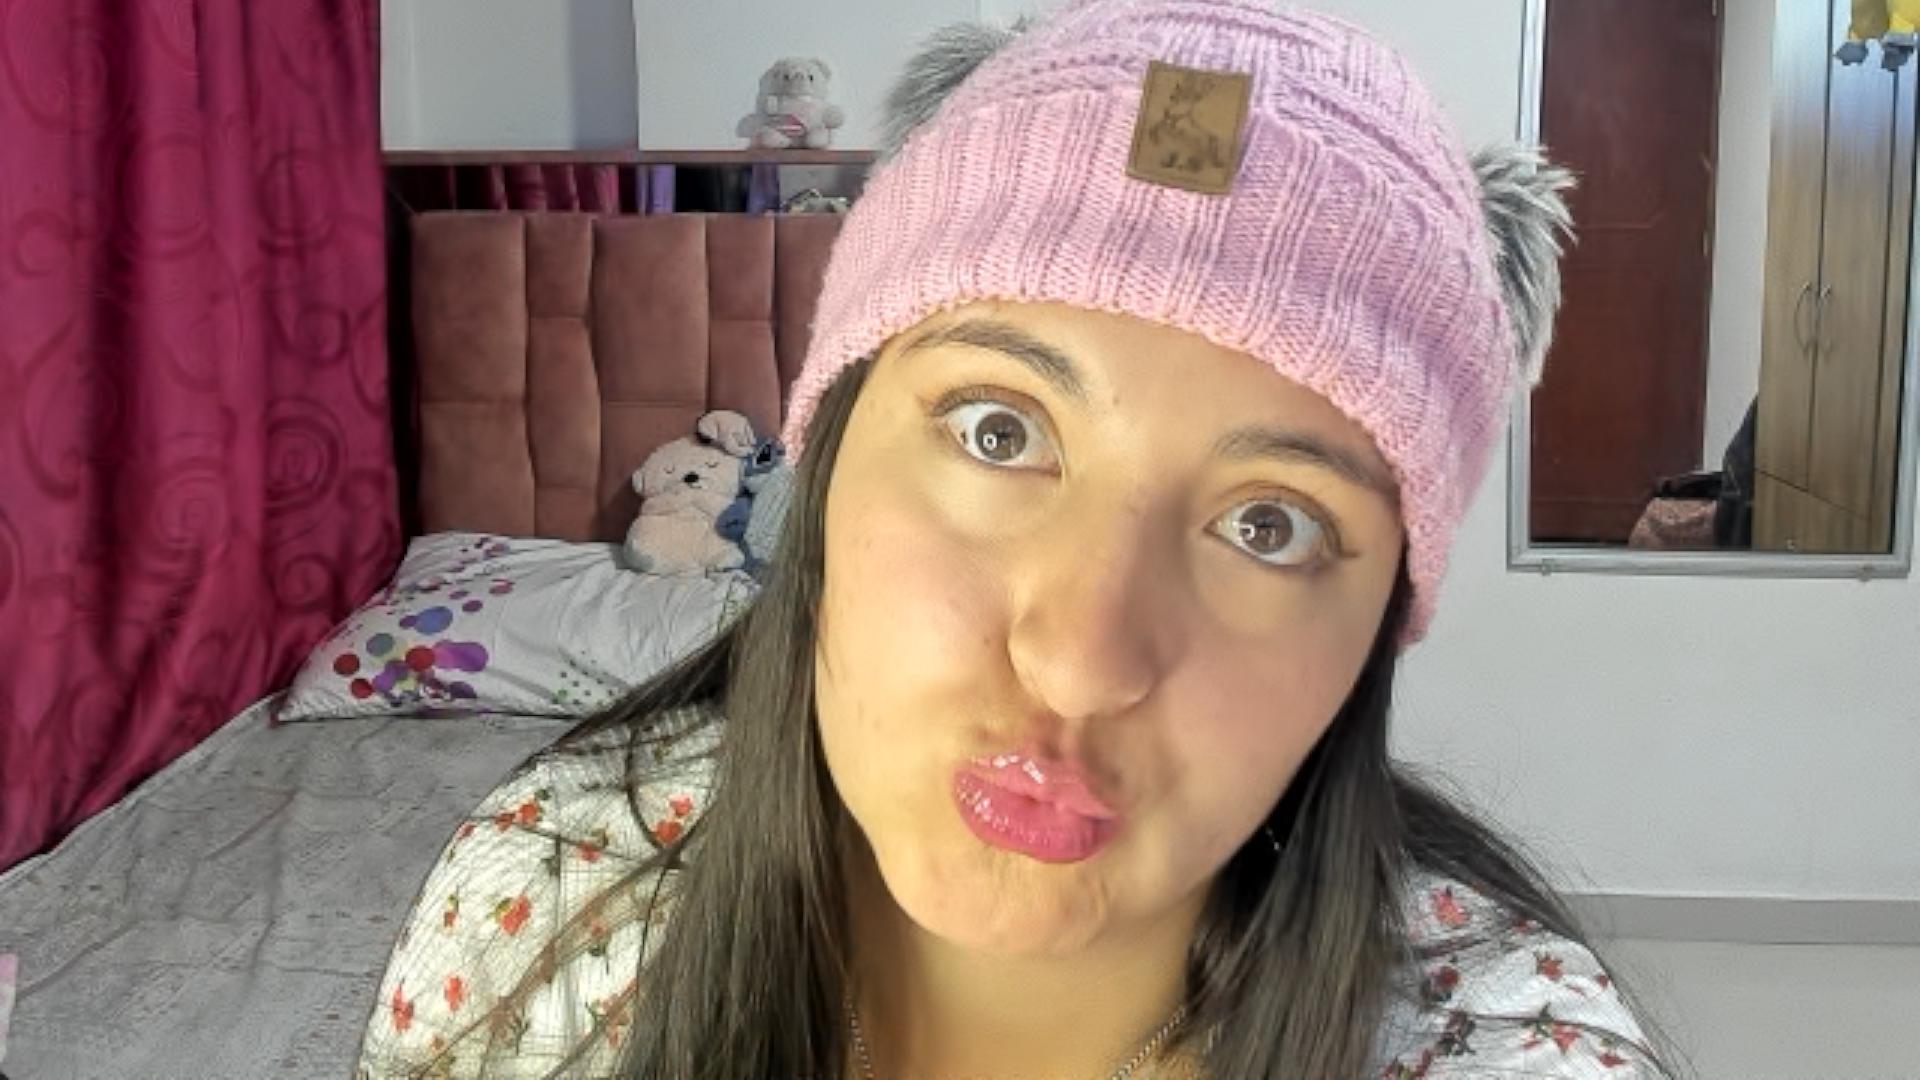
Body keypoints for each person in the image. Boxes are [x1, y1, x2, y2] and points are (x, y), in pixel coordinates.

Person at [357, 1, 1668, 1076]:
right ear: (825, 459)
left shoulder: (1515, 1051)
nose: (1080, 662)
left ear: (1375, 629)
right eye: (997, 431)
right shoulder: (548, 900)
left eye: (1267, 525)